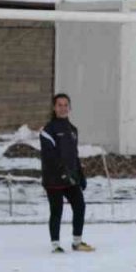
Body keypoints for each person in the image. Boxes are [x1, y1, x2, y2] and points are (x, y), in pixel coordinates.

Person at [39, 93, 93, 254]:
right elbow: (50, 157)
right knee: (56, 211)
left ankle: (77, 242)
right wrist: (63, 173)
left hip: (71, 178)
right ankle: (56, 245)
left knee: (80, 206)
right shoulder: (47, 131)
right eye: (59, 105)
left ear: (69, 108)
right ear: (54, 108)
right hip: (54, 179)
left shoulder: (73, 130)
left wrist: (80, 175)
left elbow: (73, 155)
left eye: (65, 105)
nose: (63, 108)